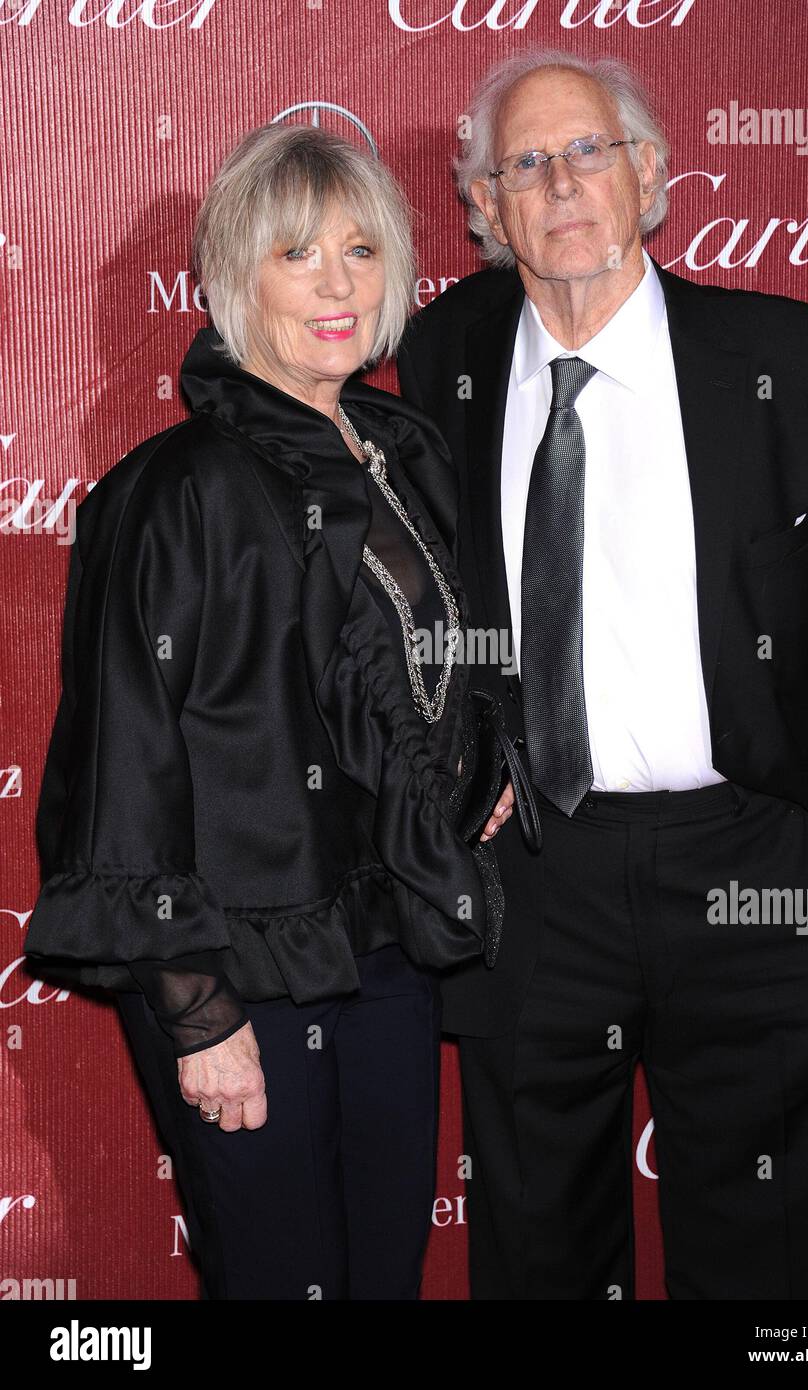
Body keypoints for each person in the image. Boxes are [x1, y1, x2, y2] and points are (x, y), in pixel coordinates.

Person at [395, 48, 808, 1299]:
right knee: (536, 1254)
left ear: (650, 176)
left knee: (774, 1269)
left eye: (590, 151)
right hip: (535, 884)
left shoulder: (798, 363)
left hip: (758, 873)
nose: (562, 183)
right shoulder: (439, 361)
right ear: (483, 207)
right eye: (524, 163)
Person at [25, 120, 513, 1301]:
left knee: (382, 1274)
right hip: (243, 968)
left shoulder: (405, 450)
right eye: (299, 254)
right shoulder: (174, 488)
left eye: (360, 249)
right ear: (239, 275)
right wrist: (197, 1012)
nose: (338, 284)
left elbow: (442, 648)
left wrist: (483, 753)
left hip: (387, 950)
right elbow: (126, 757)